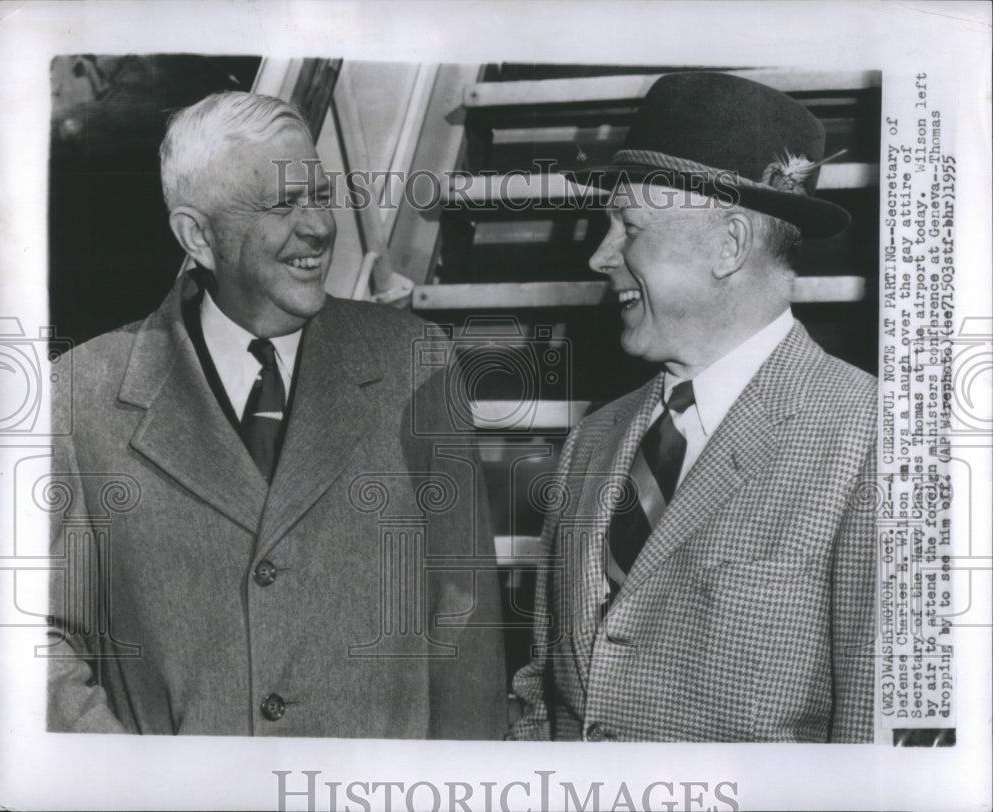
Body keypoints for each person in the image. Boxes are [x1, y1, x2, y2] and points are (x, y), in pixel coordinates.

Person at [47, 91, 506, 737]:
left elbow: (465, 629)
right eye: (282, 204)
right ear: (197, 236)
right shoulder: (78, 398)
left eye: (319, 194)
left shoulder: (418, 363)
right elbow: (37, 646)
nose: (318, 226)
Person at [509, 72, 876, 742]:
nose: (599, 257)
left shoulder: (871, 441)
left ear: (729, 245)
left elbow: (875, 756)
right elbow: (544, 698)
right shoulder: (593, 441)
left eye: (629, 227)